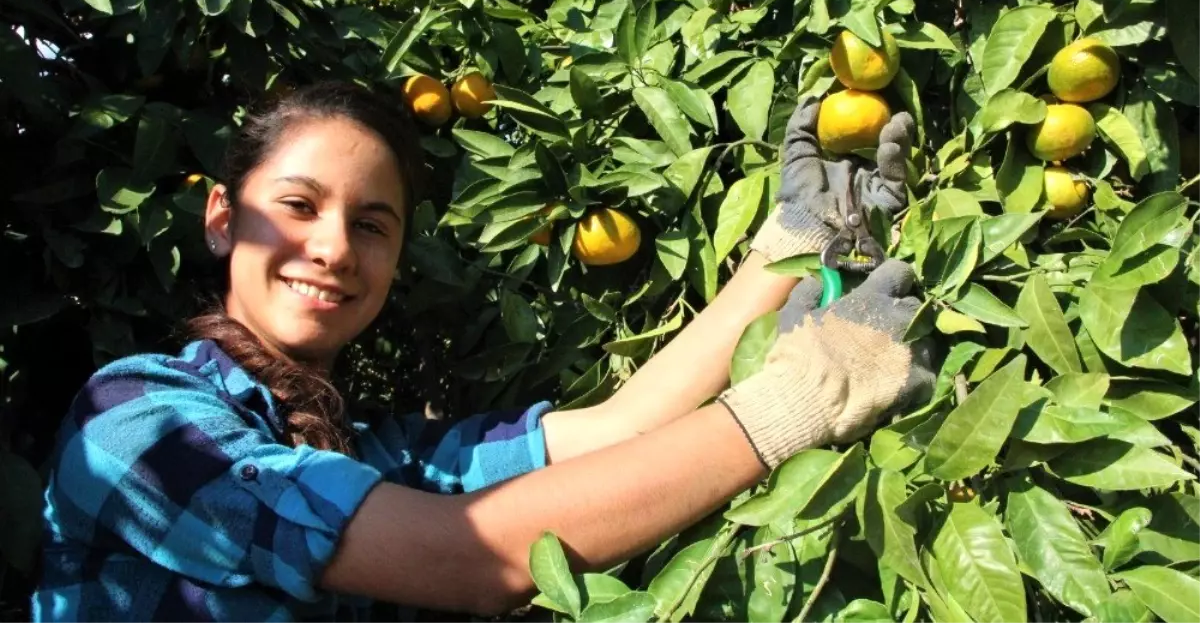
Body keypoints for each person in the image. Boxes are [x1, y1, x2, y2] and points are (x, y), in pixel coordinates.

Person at [33, 81, 932, 620]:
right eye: (300, 206)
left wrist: (789, 249)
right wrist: (797, 400)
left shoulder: (369, 449)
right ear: (223, 219)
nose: (336, 248)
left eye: (371, 224)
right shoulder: (137, 424)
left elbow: (615, 429)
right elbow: (469, 558)